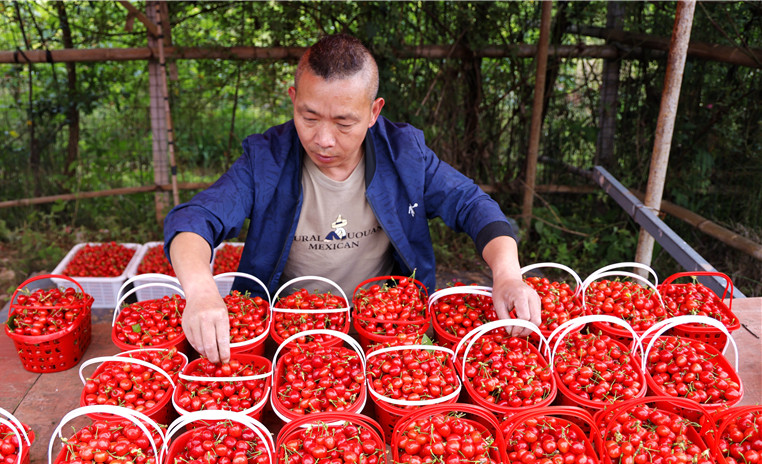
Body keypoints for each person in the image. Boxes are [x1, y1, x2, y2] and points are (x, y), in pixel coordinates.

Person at [165, 33, 540, 364]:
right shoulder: (266, 159)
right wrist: (200, 291)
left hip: (385, 326)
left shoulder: (405, 155)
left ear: (374, 112)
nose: (324, 139)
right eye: (308, 117)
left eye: (344, 123)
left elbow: (471, 204)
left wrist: (507, 273)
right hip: (290, 333)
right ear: (293, 99)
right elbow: (195, 219)